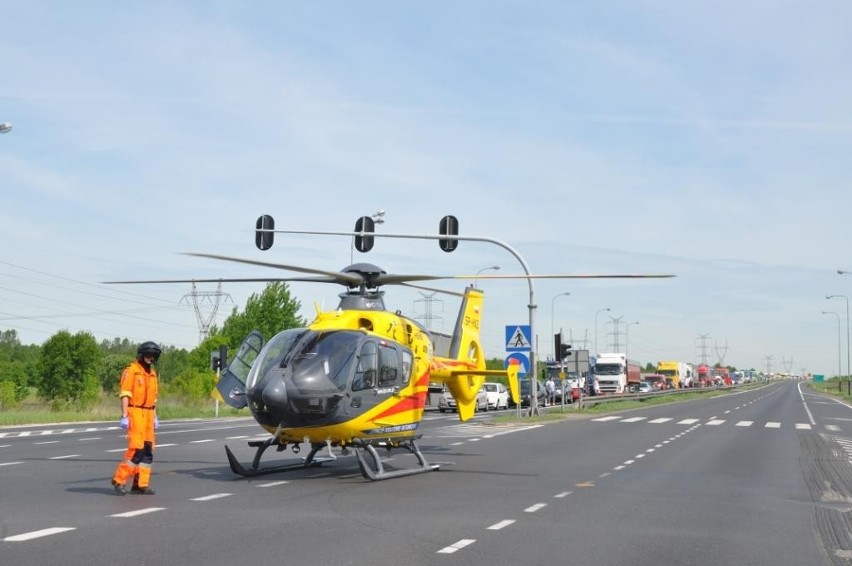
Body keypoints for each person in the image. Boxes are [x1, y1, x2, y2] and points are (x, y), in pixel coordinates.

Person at [111, 341, 161, 496]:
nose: (150, 358)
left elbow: (153, 398)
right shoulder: (131, 371)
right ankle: (119, 480)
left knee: (147, 451)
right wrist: (125, 416)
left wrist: (155, 416)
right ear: (141, 355)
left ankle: (140, 484)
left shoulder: (152, 374)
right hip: (136, 412)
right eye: (147, 355)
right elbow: (125, 394)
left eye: (153, 355)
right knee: (136, 450)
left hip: (149, 413)